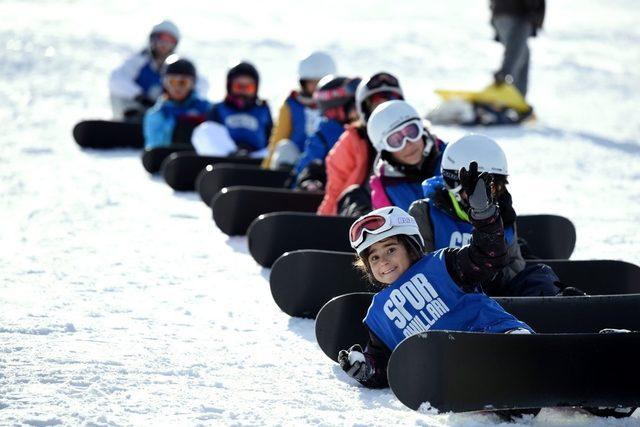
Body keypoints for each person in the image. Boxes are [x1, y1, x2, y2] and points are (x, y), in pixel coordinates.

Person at [338, 163, 532, 391]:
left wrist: (484, 215)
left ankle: (532, 365)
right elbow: (385, 364)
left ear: (411, 246)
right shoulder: (378, 314)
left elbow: (490, 256)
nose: (384, 262)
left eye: (391, 250)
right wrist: (366, 370)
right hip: (455, 368)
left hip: (499, 337)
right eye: (374, 258)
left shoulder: (444, 264)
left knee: (514, 358)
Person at [409, 134, 575, 297]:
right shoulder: (425, 212)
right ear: (455, 184)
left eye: (492, 186)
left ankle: (559, 306)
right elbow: (420, 269)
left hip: (493, 297)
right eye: (474, 187)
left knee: (538, 275)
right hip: (447, 296)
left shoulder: (502, 212)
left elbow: (515, 266)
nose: (485, 194)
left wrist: (495, 276)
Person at [317, 72, 404, 217]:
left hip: (404, 217)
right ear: (365, 110)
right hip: (359, 221)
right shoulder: (352, 142)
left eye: (390, 102)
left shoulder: (416, 139)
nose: (385, 113)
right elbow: (335, 192)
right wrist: (319, 227)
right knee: (354, 195)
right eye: (377, 104)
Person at [109, 20, 208, 123]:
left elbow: (202, 84)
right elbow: (116, 80)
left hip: (164, 113)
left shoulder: (177, 66)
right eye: (161, 39)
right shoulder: (138, 61)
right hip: (136, 112)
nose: (164, 45)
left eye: (170, 41)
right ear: (152, 40)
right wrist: (140, 96)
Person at [262, 51, 337, 169]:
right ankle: (282, 184)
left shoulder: (336, 106)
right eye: (311, 82)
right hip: (295, 162)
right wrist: (265, 170)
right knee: (284, 147)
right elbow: (278, 138)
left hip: (325, 161)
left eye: (320, 82)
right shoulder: (292, 105)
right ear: (303, 83)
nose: (316, 86)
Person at [367, 100, 445, 212]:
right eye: (396, 140)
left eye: (412, 132)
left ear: (422, 130)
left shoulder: (451, 157)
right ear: (385, 151)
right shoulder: (385, 188)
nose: (408, 144)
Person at [292, 76, 361, 190]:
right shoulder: (323, 136)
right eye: (355, 106)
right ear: (339, 108)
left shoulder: (364, 130)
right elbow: (306, 166)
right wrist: (308, 181)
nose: (359, 112)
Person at [143, 56, 212, 149]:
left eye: (183, 82)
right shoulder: (157, 113)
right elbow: (155, 148)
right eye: (172, 82)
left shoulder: (207, 109)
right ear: (164, 83)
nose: (177, 88)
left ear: (193, 84)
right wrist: (174, 126)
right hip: (173, 160)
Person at [206, 62, 273, 157]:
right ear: (229, 86)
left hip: (256, 160)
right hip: (224, 159)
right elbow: (210, 136)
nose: (243, 91)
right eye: (239, 86)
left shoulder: (263, 110)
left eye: (249, 87)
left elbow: (271, 139)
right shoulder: (218, 109)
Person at [490, 0, 545, 98]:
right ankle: (504, 85)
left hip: (500, 13)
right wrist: (532, 11)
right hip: (520, 14)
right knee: (516, 56)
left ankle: (517, 98)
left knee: (522, 56)